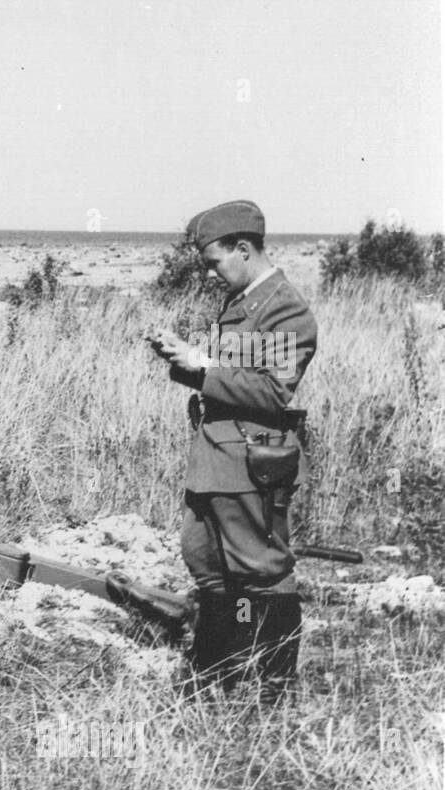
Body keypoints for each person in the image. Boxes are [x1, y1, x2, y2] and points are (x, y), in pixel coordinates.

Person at [147, 200, 316, 698]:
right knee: (206, 564)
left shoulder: (285, 307)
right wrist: (184, 360)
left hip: (251, 464)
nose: (211, 272)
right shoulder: (246, 302)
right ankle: (214, 671)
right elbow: (235, 373)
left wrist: (200, 366)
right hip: (217, 460)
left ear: (243, 249)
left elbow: (271, 391)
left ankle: (272, 687)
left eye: (215, 261)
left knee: (261, 573)